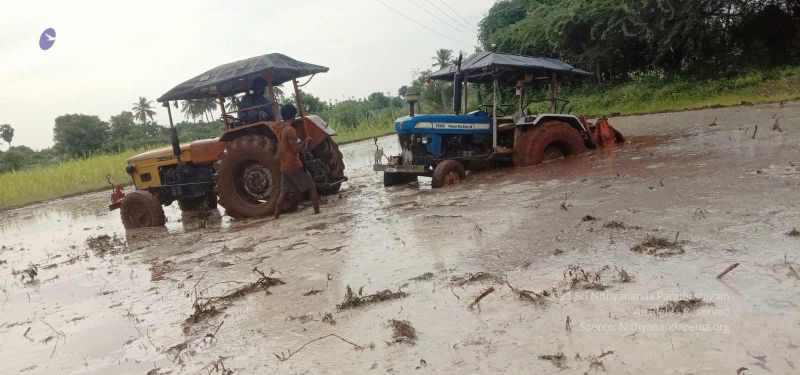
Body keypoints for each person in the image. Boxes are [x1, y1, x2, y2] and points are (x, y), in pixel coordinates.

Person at [274, 104, 320, 219]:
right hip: (294, 165)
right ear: (293, 116)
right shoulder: (290, 130)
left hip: (284, 167)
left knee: (283, 193)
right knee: (311, 188)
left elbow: (289, 147)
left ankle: (275, 218)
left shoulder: (279, 128)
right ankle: (318, 214)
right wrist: (305, 142)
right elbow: (295, 149)